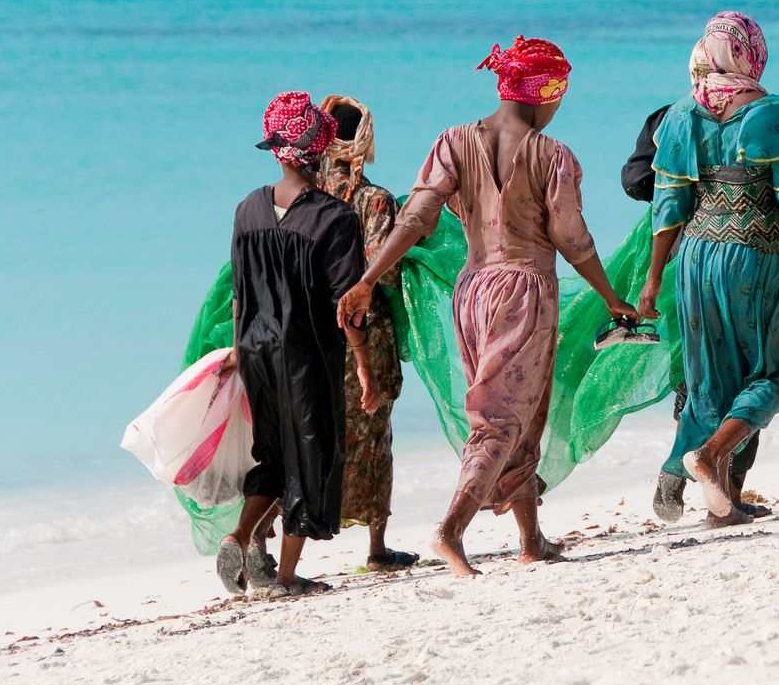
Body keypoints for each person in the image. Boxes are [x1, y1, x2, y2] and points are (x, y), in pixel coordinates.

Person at [337, 36, 638, 577]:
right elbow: (573, 240)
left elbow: (416, 219)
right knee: (502, 419)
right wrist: (612, 298)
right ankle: (451, 530)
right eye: (558, 96)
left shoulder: (452, 142)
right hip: (525, 288)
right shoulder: (553, 156)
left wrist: (367, 280)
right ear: (544, 92)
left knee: (519, 411)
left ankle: (532, 538)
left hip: (472, 290)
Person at [637, 12, 779, 526]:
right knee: (773, 374)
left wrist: (654, 278)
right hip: (753, 256)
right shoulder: (775, 115)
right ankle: (704, 459)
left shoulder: (681, 115)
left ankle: (721, 501)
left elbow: (668, 207)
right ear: (751, 52)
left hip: (694, 257)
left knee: (709, 381)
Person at [216, 92, 377, 598]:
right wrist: (365, 366)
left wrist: (238, 351)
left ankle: (240, 535)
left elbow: (239, 292)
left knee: (270, 453)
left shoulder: (248, 209)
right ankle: (285, 576)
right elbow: (347, 306)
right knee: (312, 454)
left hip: (254, 349)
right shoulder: (334, 217)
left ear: (278, 150)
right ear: (321, 152)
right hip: (306, 353)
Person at [318, 94, 419, 573]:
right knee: (373, 431)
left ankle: (273, 539)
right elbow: (385, 271)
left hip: (310, 330)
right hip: (366, 329)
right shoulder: (375, 200)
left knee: (309, 429)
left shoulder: (301, 195)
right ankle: (376, 547)